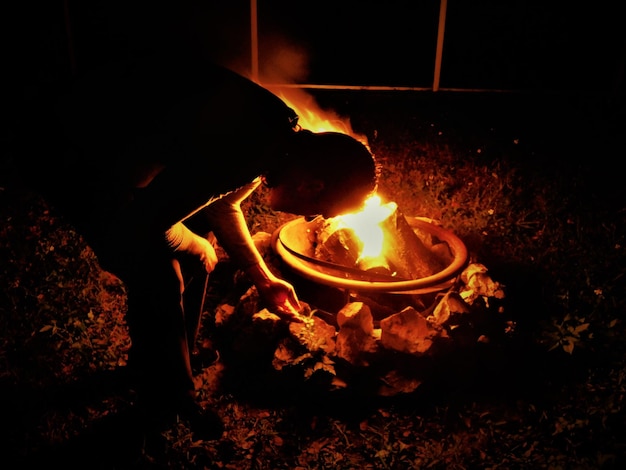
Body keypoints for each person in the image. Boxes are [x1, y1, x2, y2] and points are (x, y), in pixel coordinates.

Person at [14, 47, 378, 440]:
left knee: (189, 249)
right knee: (161, 272)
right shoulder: (245, 151)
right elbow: (145, 222)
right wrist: (198, 247)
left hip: (111, 151)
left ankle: (167, 361)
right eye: (319, 210)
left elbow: (222, 206)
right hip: (69, 150)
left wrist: (262, 278)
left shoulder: (277, 138)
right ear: (312, 186)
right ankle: (171, 397)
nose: (309, 218)